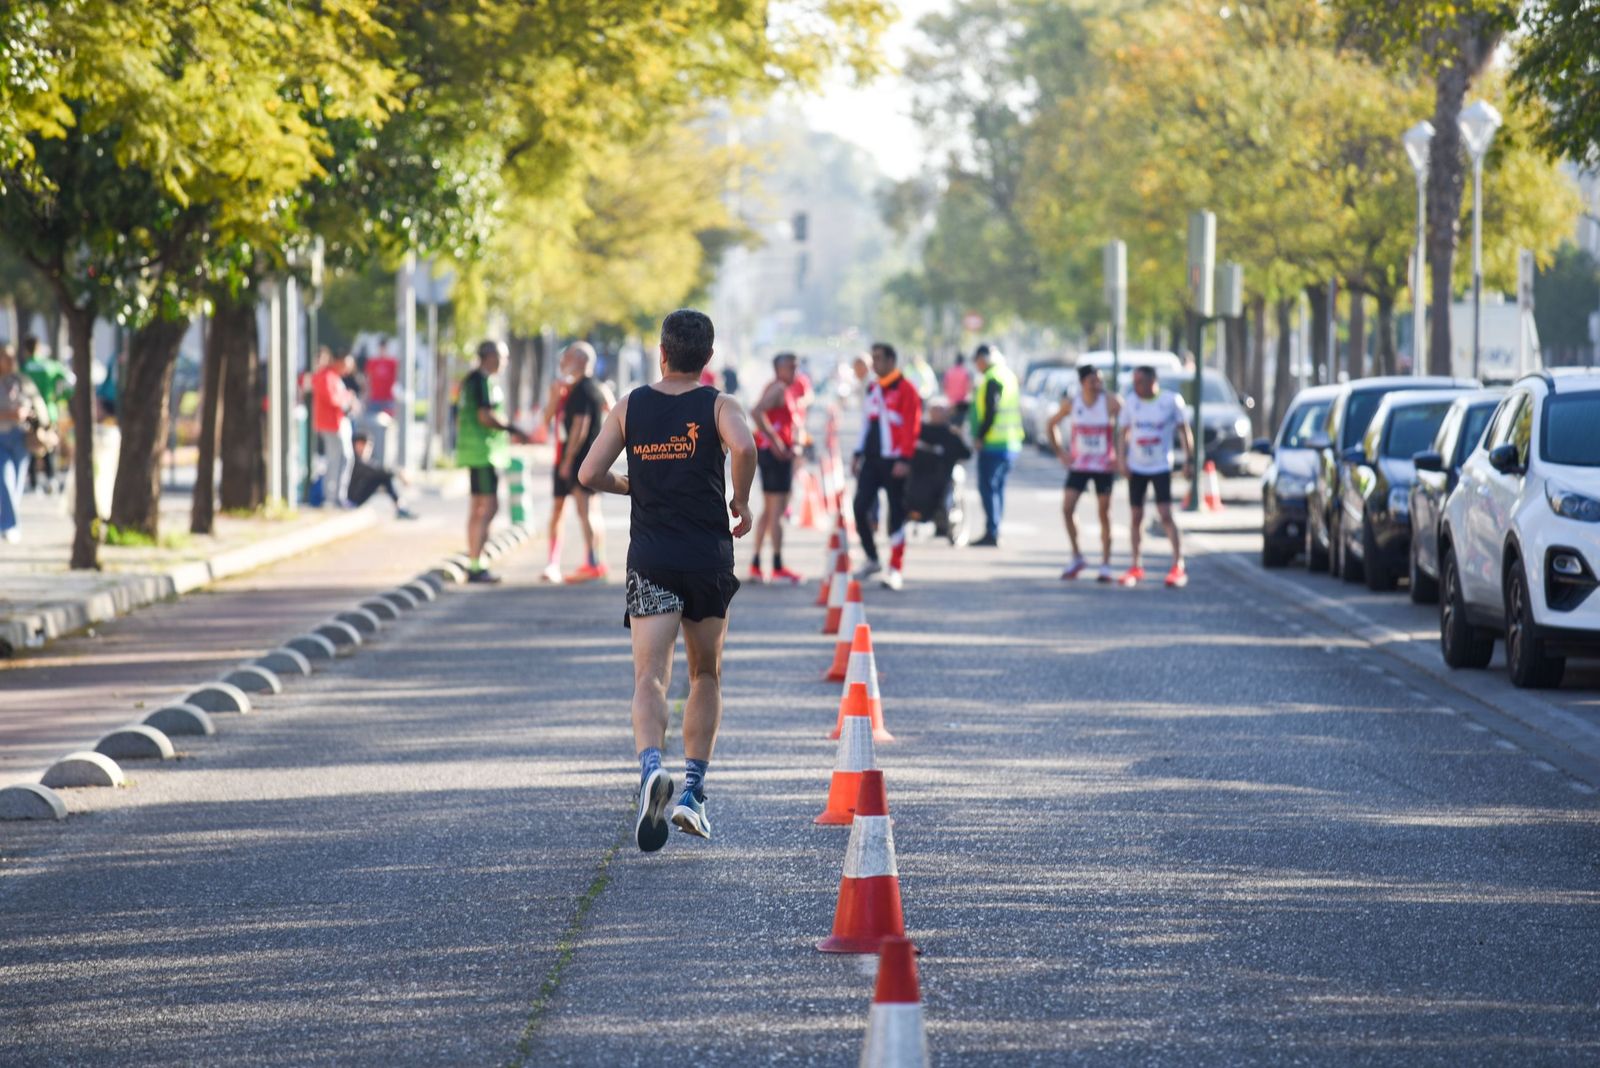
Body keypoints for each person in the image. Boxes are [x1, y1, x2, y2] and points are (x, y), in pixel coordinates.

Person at [578, 308, 755, 852]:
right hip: (706, 559)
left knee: (649, 677)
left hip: (652, 559)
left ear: (661, 353)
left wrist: (630, 484)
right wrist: (741, 500)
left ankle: (652, 768)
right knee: (705, 676)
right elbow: (745, 448)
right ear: (708, 357)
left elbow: (588, 473)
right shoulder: (719, 405)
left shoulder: (631, 405)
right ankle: (693, 793)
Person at [457, 340, 528, 584]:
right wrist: (512, 429)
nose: (505, 362)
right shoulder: (481, 381)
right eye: (503, 357)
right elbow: (485, 416)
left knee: (478, 507)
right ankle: (476, 563)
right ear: (490, 357)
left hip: (477, 452)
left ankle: (475, 561)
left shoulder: (472, 380)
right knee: (487, 507)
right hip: (482, 452)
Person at [853, 342, 922, 591]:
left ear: (891, 361)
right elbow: (867, 422)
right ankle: (872, 558)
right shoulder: (873, 387)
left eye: (878, 359)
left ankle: (895, 568)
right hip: (871, 460)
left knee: (896, 515)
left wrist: (905, 459)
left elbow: (912, 425)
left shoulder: (906, 389)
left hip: (895, 461)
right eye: (873, 358)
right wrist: (857, 452)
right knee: (859, 507)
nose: (874, 363)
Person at [1118, 365, 1193, 588]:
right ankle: (1135, 564)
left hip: (1160, 465)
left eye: (1139, 382)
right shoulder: (1131, 402)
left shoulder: (1170, 401)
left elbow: (1184, 430)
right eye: (1134, 382)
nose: (1136, 386)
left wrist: (1188, 460)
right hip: (1137, 466)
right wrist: (1121, 459)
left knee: (1165, 514)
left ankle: (1177, 563)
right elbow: (1123, 433)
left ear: (1152, 381)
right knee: (1136, 515)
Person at [1047, 364, 1122, 582]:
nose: (1097, 385)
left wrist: (1120, 453)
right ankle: (1077, 555)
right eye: (1092, 381)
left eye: (1099, 380)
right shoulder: (1072, 404)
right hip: (1080, 465)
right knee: (1067, 508)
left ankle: (1106, 564)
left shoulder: (1111, 402)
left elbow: (1128, 425)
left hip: (1104, 466)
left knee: (1104, 513)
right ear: (1082, 383)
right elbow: (1051, 424)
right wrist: (1060, 452)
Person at [552, 341, 611, 584]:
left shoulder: (582, 390)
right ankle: (597, 561)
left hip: (580, 459)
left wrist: (568, 460)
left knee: (584, 510)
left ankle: (593, 562)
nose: (563, 362)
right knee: (592, 510)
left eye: (568, 357)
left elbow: (580, 426)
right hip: (593, 456)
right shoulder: (595, 388)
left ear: (580, 361)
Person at [750, 352, 805, 584]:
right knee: (777, 511)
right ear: (779, 369)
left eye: (796, 367)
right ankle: (777, 566)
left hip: (773, 455)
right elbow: (756, 412)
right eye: (791, 367)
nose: (795, 372)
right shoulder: (778, 389)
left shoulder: (781, 388)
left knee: (769, 510)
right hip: (774, 457)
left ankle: (756, 564)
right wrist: (776, 442)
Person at [968, 343, 1023, 547]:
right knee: (997, 488)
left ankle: (992, 531)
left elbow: (992, 409)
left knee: (988, 488)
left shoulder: (993, 377)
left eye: (977, 362)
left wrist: (980, 436)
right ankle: (994, 528)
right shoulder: (1008, 374)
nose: (977, 366)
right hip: (1010, 442)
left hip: (994, 443)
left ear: (983, 359)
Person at [906, 399, 971, 542]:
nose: (937, 414)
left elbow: (966, 454)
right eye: (934, 410)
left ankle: (942, 524)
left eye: (940, 410)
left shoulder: (951, 433)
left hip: (942, 479)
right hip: (917, 479)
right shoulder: (919, 430)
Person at [0, 345, 45, 543]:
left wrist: (27, 413)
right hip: (1, 437)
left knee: (17, 483)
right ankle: (9, 525)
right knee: (5, 479)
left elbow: (37, 404)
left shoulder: (22, 380)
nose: (10, 361)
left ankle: (8, 522)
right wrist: (10, 414)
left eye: (12, 357)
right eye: (5, 357)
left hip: (21, 437)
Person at [20, 336, 71, 495]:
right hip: (49, 410)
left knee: (31, 445)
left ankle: (34, 483)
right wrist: (60, 397)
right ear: (39, 347)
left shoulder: (25, 367)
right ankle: (51, 479)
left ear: (26, 350)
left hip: (31, 412)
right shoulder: (51, 365)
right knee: (49, 445)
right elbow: (70, 382)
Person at [312, 347, 357, 508]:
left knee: (342, 458)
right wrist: (348, 398)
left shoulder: (334, 377)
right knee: (338, 459)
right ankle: (332, 497)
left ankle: (337, 495)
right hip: (332, 424)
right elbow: (332, 399)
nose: (348, 369)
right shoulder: (326, 376)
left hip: (336, 423)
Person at [347, 432, 417, 519]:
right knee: (383, 477)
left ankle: (400, 507)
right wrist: (399, 473)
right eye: (364, 445)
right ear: (357, 445)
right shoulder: (353, 460)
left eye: (369, 446)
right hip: (350, 499)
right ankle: (400, 507)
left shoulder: (363, 461)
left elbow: (378, 468)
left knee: (384, 478)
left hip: (356, 496)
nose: (368, 449)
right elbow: (377, 470)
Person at [942, 353, 972, 425]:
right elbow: (968, 387)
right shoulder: (965, 372)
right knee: (960, 424)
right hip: (962, 403)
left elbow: (944, 386)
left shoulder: (949, 372)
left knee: (951, 424)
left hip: (951, 402)